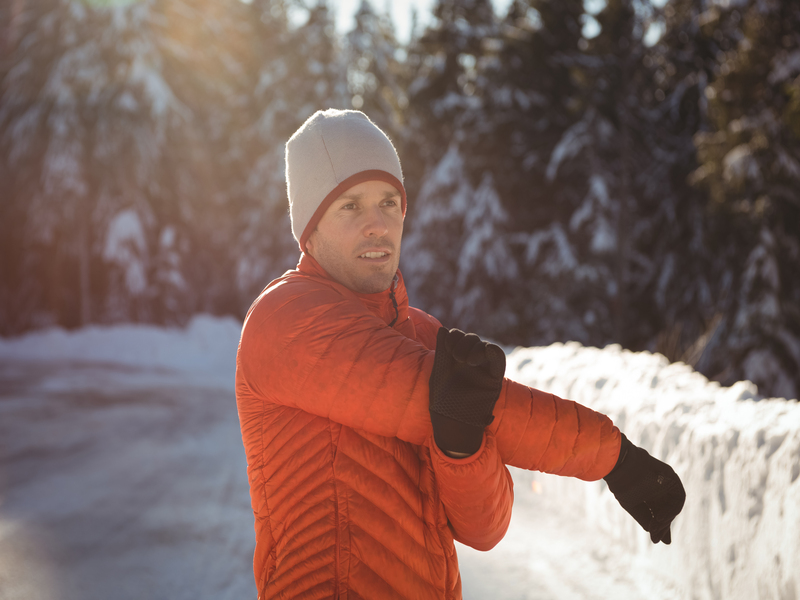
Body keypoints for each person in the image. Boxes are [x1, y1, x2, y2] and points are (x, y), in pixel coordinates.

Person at [235, 109, 686, 600]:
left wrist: (461, 449)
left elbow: (485, 529)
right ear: (310, 224)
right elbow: (470, 406)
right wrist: (615, 457)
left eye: (389, 202)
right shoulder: (286, 319)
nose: (377, 225)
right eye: (349, 206)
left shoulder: (424, 335)